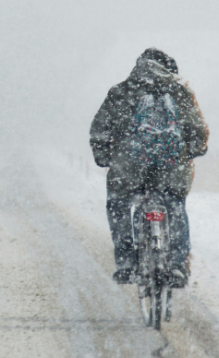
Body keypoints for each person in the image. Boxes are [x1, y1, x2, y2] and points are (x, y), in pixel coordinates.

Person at [89, 48, 209, 286]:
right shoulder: (180, 92)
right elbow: (198, 131)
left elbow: (100, 129)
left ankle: (126, 263)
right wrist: (194, 150)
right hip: (171, 171)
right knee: (175, 206)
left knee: (118, 206)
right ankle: (177, 266)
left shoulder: (121, 91)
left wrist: (104, 157)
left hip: (129, 171)